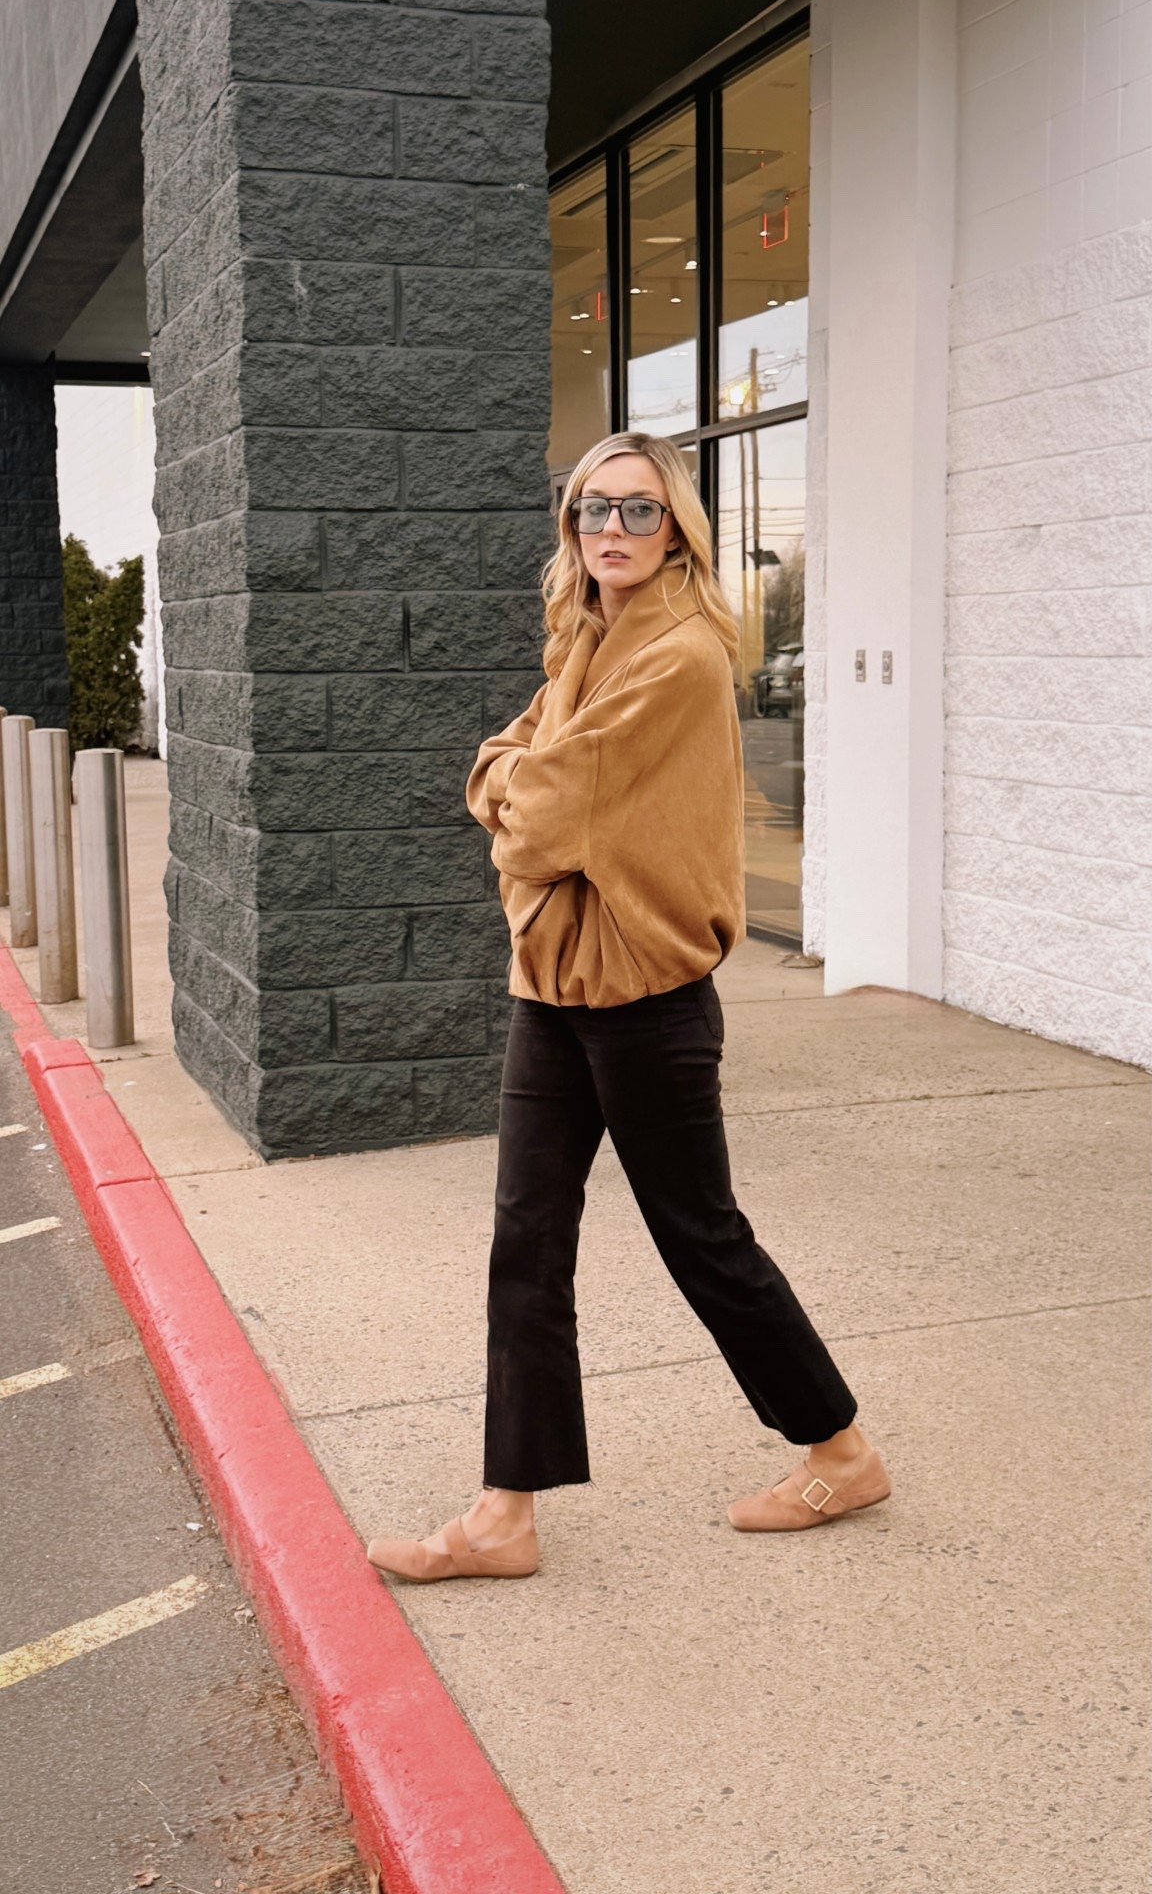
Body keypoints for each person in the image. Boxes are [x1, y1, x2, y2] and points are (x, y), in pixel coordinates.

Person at [367, 432, 890, 1583]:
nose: (611, 529)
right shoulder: (589, 636)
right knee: (527, 1240)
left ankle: (840, 1449)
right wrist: (514, 781)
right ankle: (505, 1512)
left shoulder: (679, 655)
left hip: (645, 996)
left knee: (703, 1238)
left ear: (678, 529)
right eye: (593, 508)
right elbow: (507, 765)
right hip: (554, 984)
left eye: (639, 512)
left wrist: (515, 788)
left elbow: (540, 810)